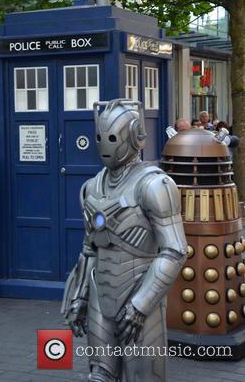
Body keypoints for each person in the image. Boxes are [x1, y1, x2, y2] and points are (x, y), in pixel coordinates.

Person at [62, 99, 187, 382]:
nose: (105, 145)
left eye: (112, 138)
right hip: (99, 291)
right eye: (100, 138)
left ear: (133, 136)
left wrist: (141, 303)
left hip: (140, 287)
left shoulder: (155, 184)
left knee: (143, 376)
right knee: (99, 374)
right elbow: (89, 248)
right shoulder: (92, 186)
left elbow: (175, 249)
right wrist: (79, 295)